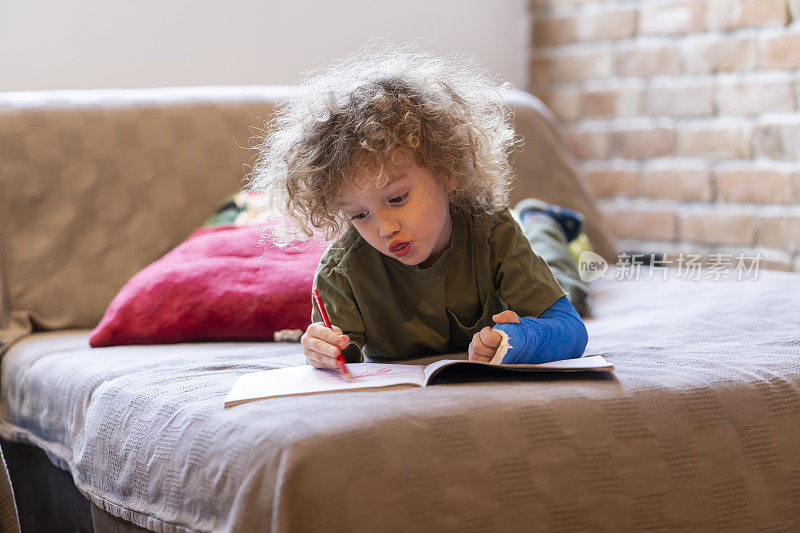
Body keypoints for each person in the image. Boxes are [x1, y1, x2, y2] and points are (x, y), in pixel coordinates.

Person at [248, 43, 589, 367]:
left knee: (569, 286)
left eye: (397, 198)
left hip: (512, 232)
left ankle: (540, 220)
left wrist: (518, 339)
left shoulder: (492, 230)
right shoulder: (342, 273)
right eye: (359, 215)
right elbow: (342, 358)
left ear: (448, 171)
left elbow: (570, 330)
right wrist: (323, 352)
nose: (384, 228)